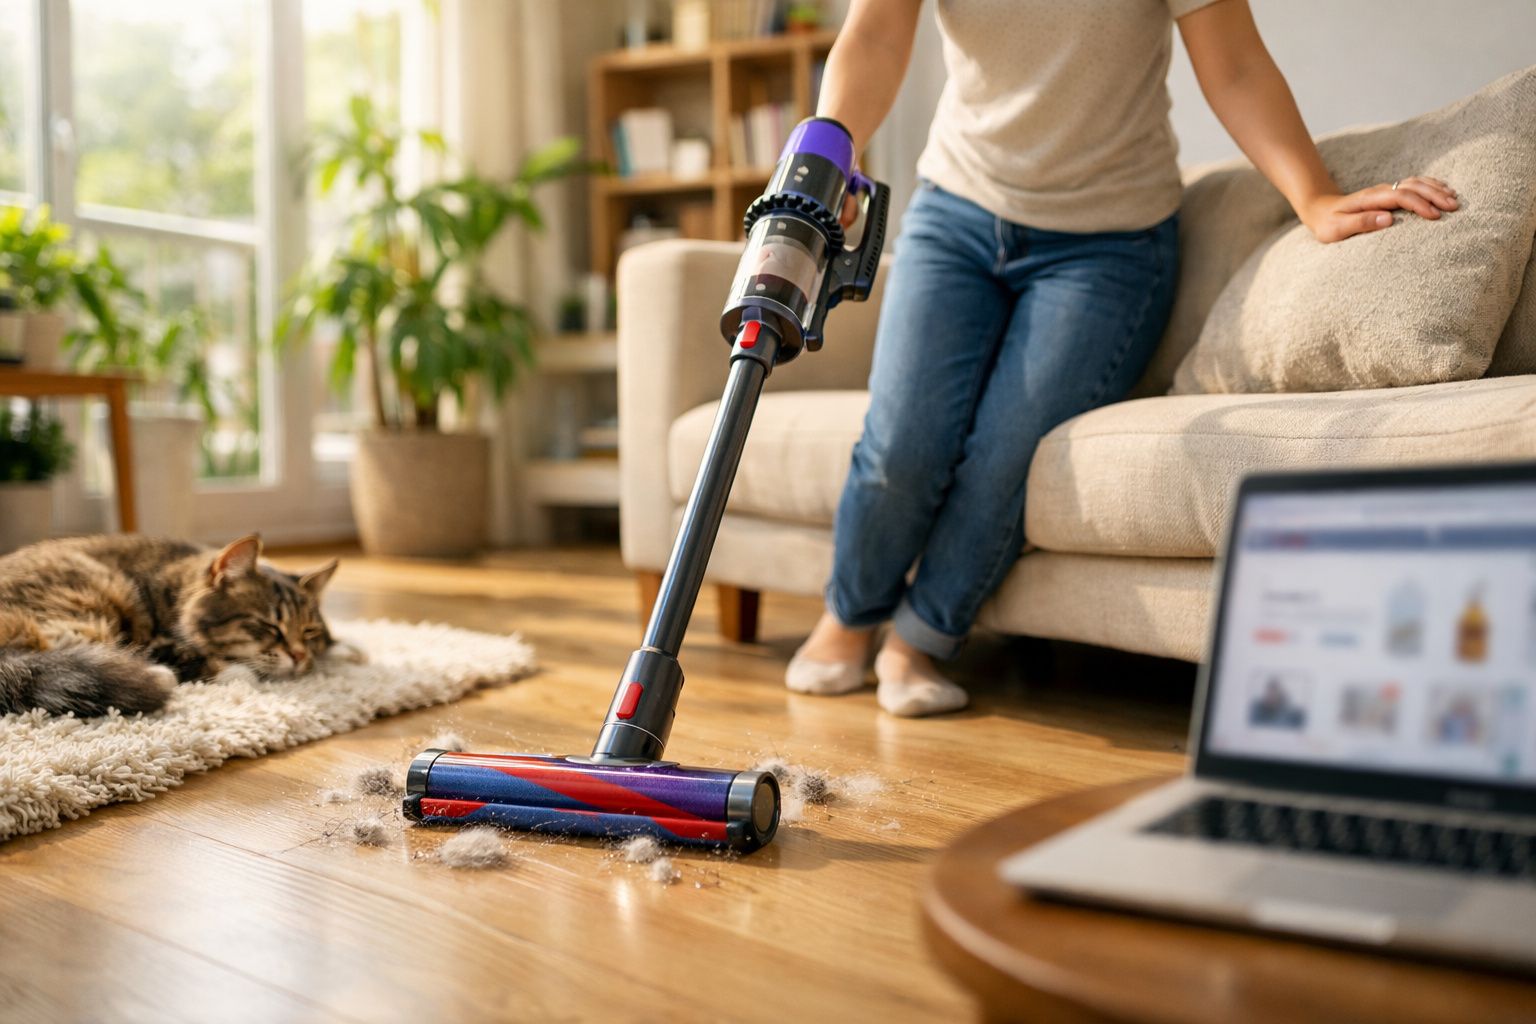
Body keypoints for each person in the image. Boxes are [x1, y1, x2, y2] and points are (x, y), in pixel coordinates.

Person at [789, 0, 1458, 717]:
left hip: (1107, 244)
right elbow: (877, 35)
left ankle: (920, 637)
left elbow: (1233, 64)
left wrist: (1314, 194)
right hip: (956, 210)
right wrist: (837, 150)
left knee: (1007, 454)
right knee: (903, 442)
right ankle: (852, 615)